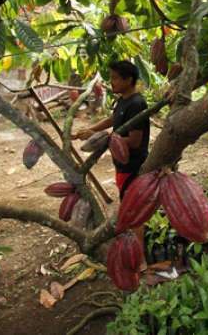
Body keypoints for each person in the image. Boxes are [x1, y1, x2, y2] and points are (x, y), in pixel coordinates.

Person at [73, 60, 150, 270]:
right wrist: (90, 130)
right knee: (129, 207)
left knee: (134, 212)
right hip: (122, 165)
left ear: (128, 80)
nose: (112, 82)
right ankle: (133, 249)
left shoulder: (137, 104)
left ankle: (140, 260)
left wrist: (104, 138)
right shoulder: (123, 101)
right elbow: (112, 120)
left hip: (133, 165)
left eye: (116, 78)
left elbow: (134, 141)